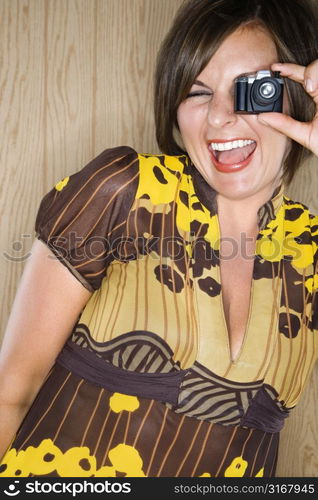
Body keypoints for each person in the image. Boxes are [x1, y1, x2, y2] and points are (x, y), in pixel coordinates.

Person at [0, 0, 317, 478]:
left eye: (254, 90)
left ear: (300, 96)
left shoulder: (310, 248)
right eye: (197, 92)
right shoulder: (123, 192)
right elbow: (11, 392)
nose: (219, 118)